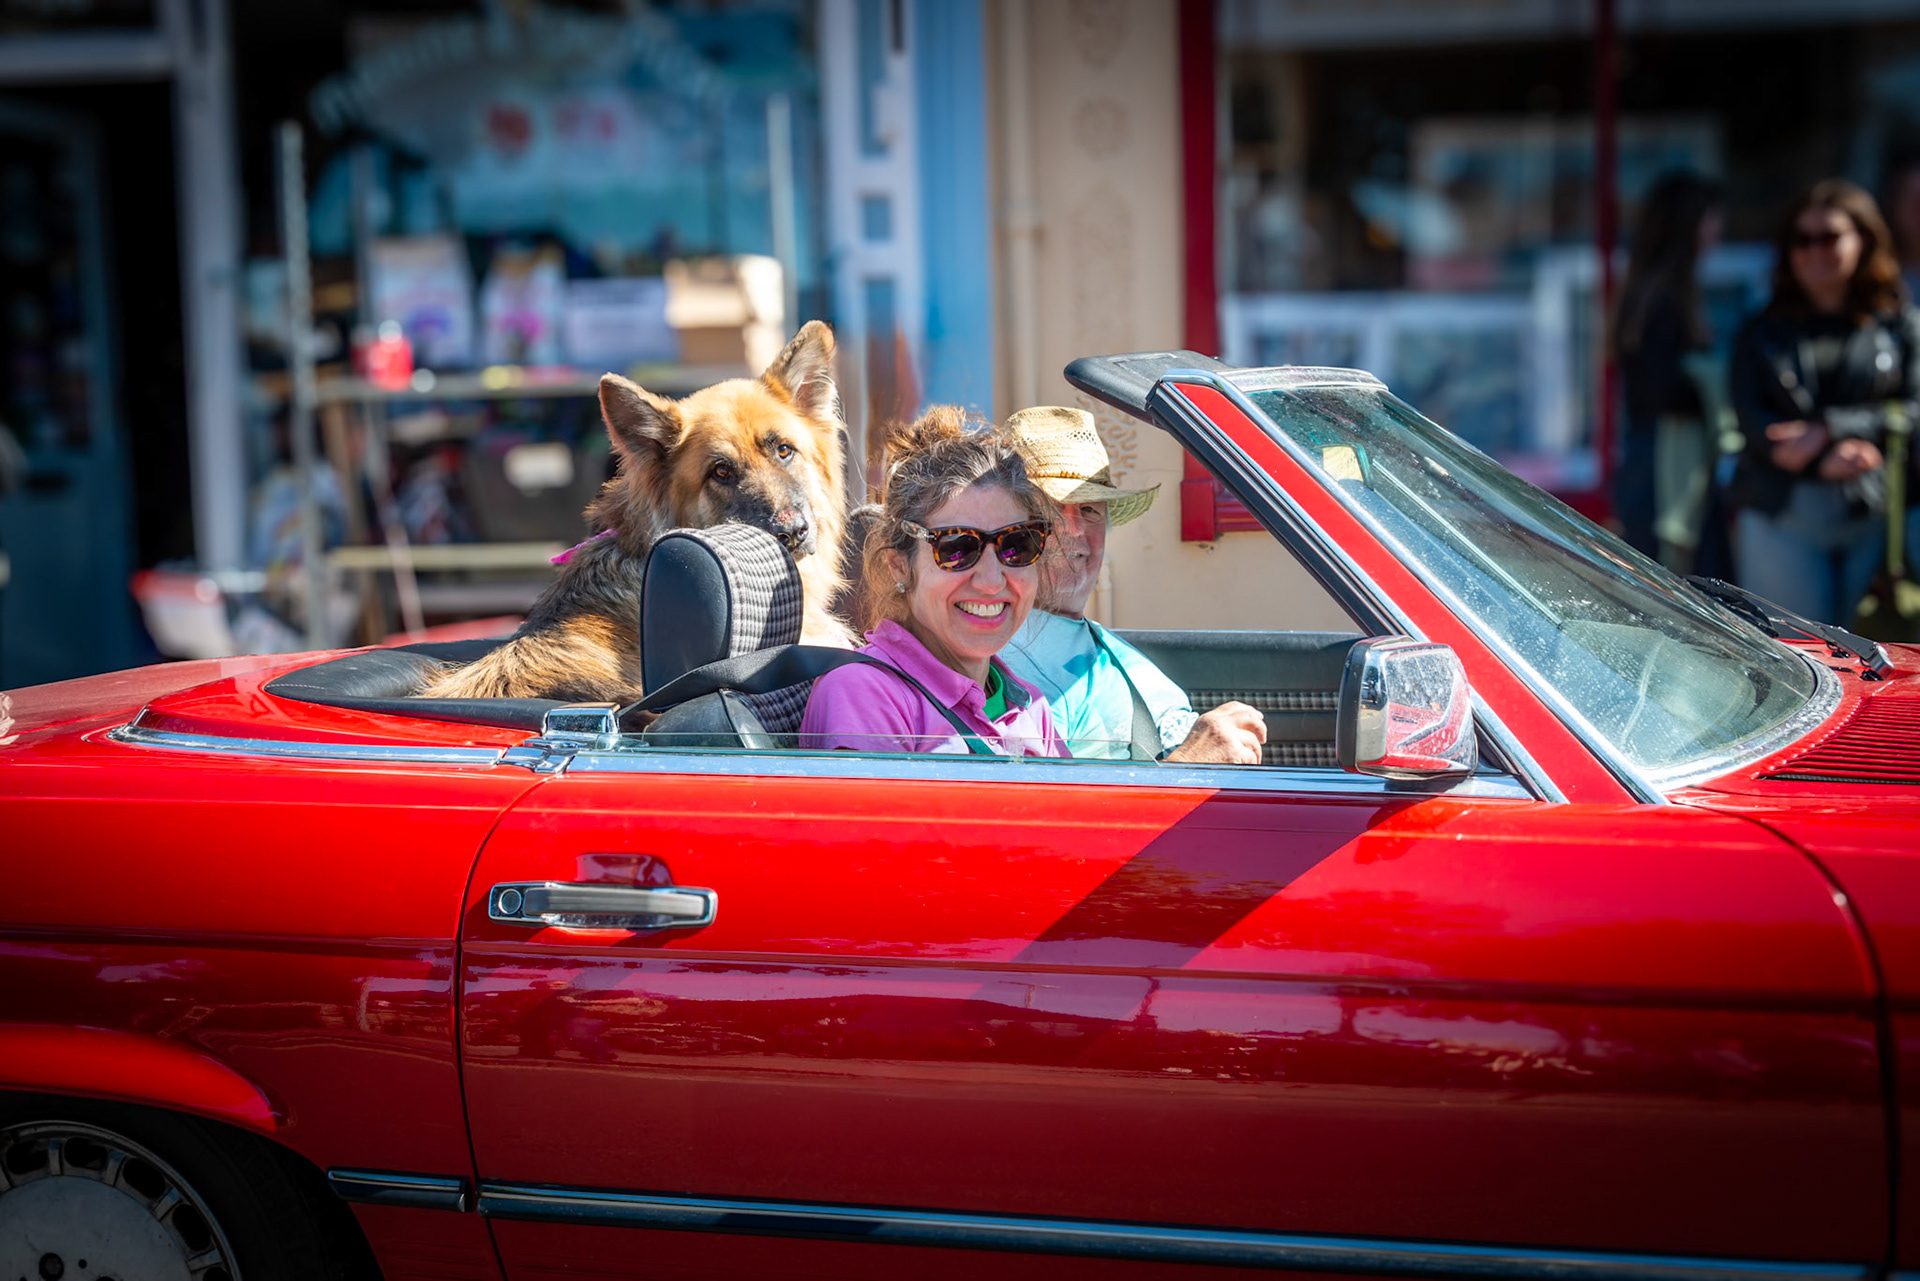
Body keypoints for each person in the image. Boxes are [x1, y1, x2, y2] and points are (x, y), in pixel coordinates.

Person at [996, 406, 1268, 764]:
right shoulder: (997, 661)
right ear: (1013, 534)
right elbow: (1051, 813)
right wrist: (1186, 765)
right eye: (1053, 510)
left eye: (1091, 510)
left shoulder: (1095, 641)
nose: (1077, 530)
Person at [800, 406, 1069, 757]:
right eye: (957, 548)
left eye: (1018, 545)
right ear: (899, 566)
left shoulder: (1029, 704)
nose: (990, 581)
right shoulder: (863, 693)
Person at [1728, 179, 1920, 624]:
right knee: (1798, 656)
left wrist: (1833, 429)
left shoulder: (1899, 324)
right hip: (1784, 515)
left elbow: (1912, 409)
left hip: (1872, 513)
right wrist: (1820, 461)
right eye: (1802, 240)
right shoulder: (1761, 329)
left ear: (1863, 242)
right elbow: (1753, 424)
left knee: (1868, 657)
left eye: (1829, 237)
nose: (1815, 251)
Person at [1611, 171, 1725, 569]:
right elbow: (1661, 390)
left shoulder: (1652, 289)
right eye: (1711, 218)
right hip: (1664, 459)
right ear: (1689, 224)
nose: (1718, 229)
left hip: (1658, 453)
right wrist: (1715, 385)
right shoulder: (1665, 296)